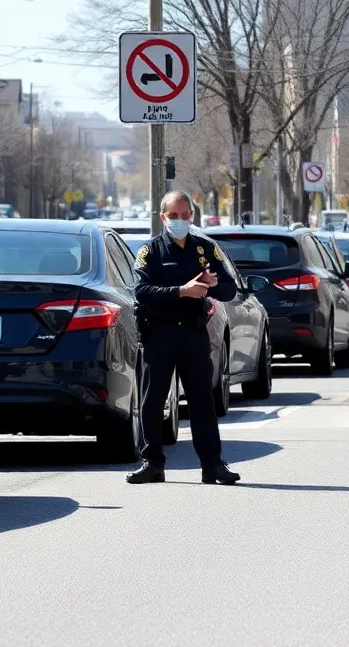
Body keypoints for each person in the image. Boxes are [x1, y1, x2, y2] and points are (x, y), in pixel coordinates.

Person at [127, 191, 242, 485]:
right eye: (174, 216)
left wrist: (213, 285)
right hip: (160, 334)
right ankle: (152, 463)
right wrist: (181, 291)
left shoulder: (205, 249)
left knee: (203, 401)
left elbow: (229, 289)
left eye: (185, 215)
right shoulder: (150, 251)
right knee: (153, 401)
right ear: (163, 217)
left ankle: (212, 465)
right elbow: (141, 291)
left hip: (193, 333)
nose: (180, 220)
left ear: (192, 215)